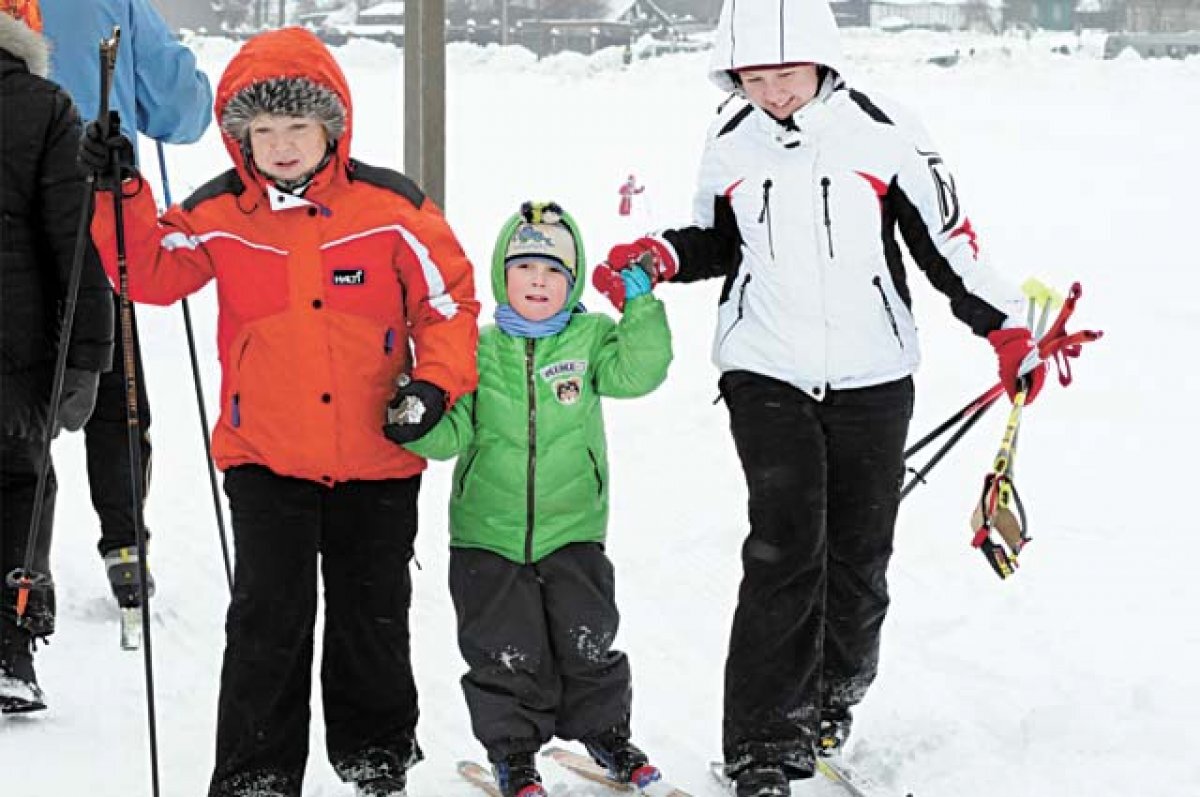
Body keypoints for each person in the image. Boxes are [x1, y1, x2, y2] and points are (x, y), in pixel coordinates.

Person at [599, 2, 1047, 796]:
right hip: (764, 367)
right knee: (783, 548)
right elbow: (718, 240)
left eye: (786, 75)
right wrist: (663, 254)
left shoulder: (885, 133)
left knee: (860, 555)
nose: (771, 93)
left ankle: (833, 700)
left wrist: (1006, 329)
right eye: (754, 78)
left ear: (824, 64)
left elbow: (948, 248)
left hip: (874, 374)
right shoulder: (729, 138)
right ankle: (764, 745)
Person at [79, 26, 479, 797]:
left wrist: (433, 384)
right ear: (241, 138)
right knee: (269, 621)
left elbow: (449, 300)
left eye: (298, 125)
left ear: (333, 126)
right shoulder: (223, 211)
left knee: (373, 618)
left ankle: (375, 755)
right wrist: (120, 190)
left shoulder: (391, 205)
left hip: (378, 451)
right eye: (263, 130)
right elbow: (150, 271)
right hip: (266, 455)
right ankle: (257, 772)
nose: (283, 144)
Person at [403, 201, 673, 797]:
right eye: (525, 269)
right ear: (504, 276)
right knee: (504, 651)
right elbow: (452, 436)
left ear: (572, 282)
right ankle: (515, 754)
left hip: (573, 525)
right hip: (486, 531)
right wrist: (413, 419)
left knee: (588, 639)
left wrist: (641, 309)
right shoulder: (477, 350)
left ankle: (607, 734)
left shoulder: (591, 336)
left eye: (554, 272)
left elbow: (639, 373)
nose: (539, 282)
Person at [41, 0, 212, 609]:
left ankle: (22, 557)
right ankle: (124, 546)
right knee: (114, 386)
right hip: (99, 210)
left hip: (11, 216)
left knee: (14, 389)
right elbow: (183, 111)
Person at [0, 0, 114, 713]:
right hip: (17, 348)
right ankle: (9, 644)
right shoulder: (45, 107)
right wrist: (87, 358)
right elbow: (77, 246)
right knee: (18, 481)